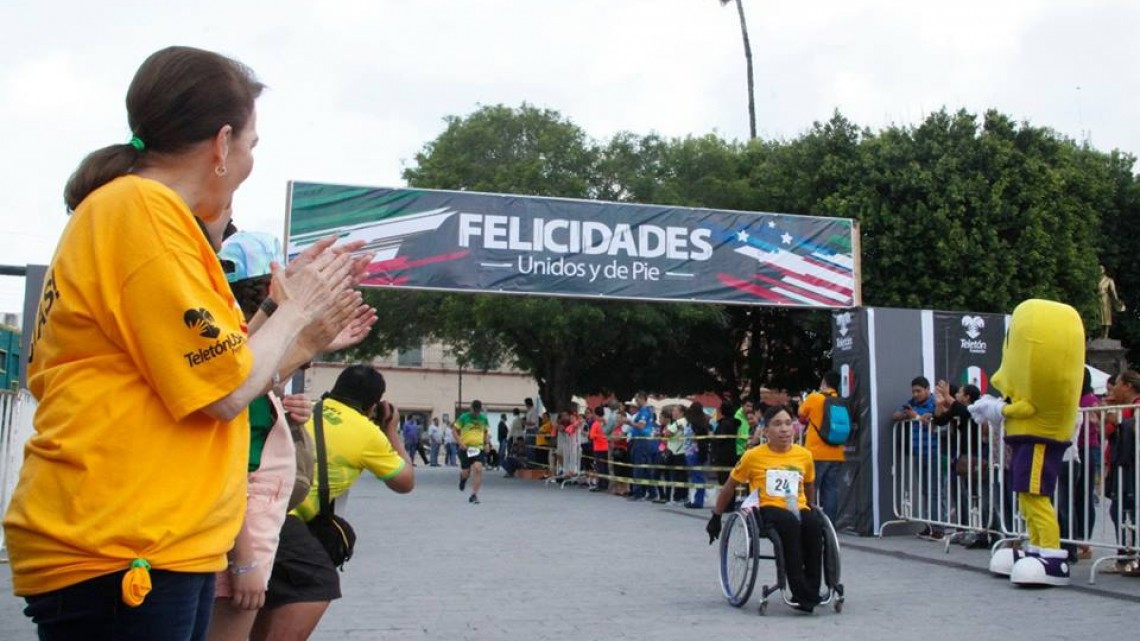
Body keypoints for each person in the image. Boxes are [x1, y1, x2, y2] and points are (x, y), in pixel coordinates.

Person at [2, 46, 366, 641]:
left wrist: (297, 333)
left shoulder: (140, 215)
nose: (249, 161)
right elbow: (222, 391)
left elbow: (211, 378)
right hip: (124, 545)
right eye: (251, 145)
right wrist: (293, 308)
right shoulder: (139, 210)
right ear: (222, 145)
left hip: (155, 540)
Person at [208, 230, 374, 641]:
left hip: (247, 526)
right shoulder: (228, 357)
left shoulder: (240, 351)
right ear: (271, 285)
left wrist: (308, 348)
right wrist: (244, 559)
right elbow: (227, 466)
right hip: (237, 529)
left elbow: (250, 376)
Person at [251, 366, 413, 640]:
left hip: (257, 506)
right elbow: (405, 482)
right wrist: (391, 430)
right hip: (280, 516)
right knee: (318, 582)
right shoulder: (366, 433)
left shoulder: (306, 407)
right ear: (373, 405)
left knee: (277, 590)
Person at [706, 405, 824, 612]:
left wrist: (810, 507)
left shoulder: (804, 455)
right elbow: (730, 486)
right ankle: (800, 591)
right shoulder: (753, 456)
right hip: (768, 508)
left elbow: (809, 485)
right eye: (777, 424)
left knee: (814, 524)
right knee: (789, 525)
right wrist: (716, 516)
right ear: (766, 430)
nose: (785, 429)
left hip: (796, 505)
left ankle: (812, 588)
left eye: (788, 423)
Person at [891, 376, 941, 539]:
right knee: (925, 491)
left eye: (919, 391)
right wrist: (907, 415)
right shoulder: (912, 403)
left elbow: (936, 423)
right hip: (919, 453)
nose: (916, 394)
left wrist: (916, 417)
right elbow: (895, 415)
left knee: (934, 492)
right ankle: (928, 525)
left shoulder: (935, 404)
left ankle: (938, 527)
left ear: (927, 390)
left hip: (935, 453)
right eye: (913, 391)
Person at [799, 371, 845, 523]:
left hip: (816, 452)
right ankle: (829, 524)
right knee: (831, 490)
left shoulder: (815, 398)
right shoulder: (840, 400)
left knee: (810, 487)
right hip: (837, 452)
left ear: (824, 381)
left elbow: (801, 414)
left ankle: (807, 520)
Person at [454, 400, 491, 504]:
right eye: (474, 411)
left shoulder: (483, 419)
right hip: (465, 448)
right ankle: (463, 478)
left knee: (478, 468)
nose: (476, 414)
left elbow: (486, 432)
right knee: (466, 472)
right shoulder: (464, 417)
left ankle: (474, 495)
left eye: (478, 412)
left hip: (478, 448)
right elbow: (454, 431)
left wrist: (487, 443)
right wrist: (460, 442)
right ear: (471, 409)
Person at [684, 402, 710, 509]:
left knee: (697, 476)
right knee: (695, 476)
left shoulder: (697, 424)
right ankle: (696, 499)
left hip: (694, 452)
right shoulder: (694, 422)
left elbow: (699, 439)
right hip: (690, 451)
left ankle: (699, 501)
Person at [588, 406, 610, 492]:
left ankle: (600, 484)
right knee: (605, 467)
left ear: (596, 414)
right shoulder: (606, 423)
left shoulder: (595, 424)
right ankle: (605, 484)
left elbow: (591, 436)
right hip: (606, 447)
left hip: (598, 448)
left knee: (600, 467)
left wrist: (598, 436)